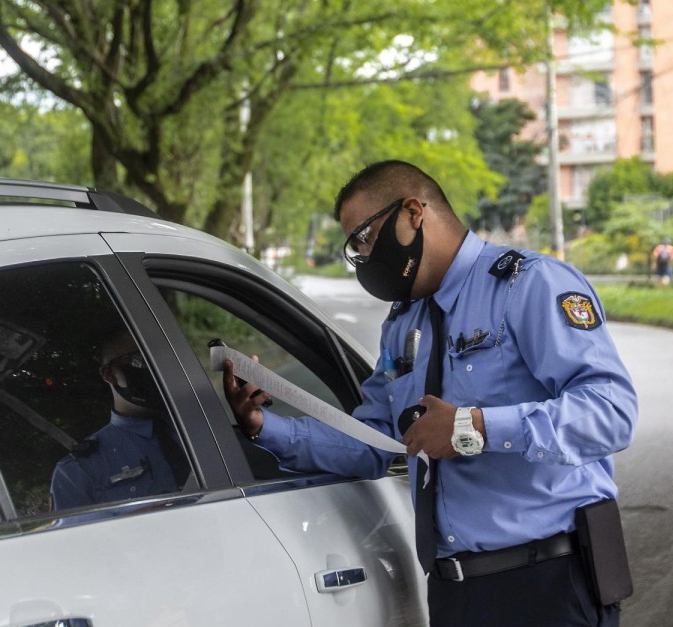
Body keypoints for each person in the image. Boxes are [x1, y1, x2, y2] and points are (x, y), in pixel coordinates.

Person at [223, 160, 637, 626]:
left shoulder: (528, 285)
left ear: (413, 213)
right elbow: (373, 442)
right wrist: (263, 426)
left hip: (548, 585)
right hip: (452, 593)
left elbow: (611, 412)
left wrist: (473, 428)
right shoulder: (403, 325)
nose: (361, 255)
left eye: (364, 236)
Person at [51, 330, 190, 510]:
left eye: (163, 359)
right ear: (109, 374)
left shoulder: (210, 428)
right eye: (140, 361)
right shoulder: (79, 471)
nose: (156, 369)